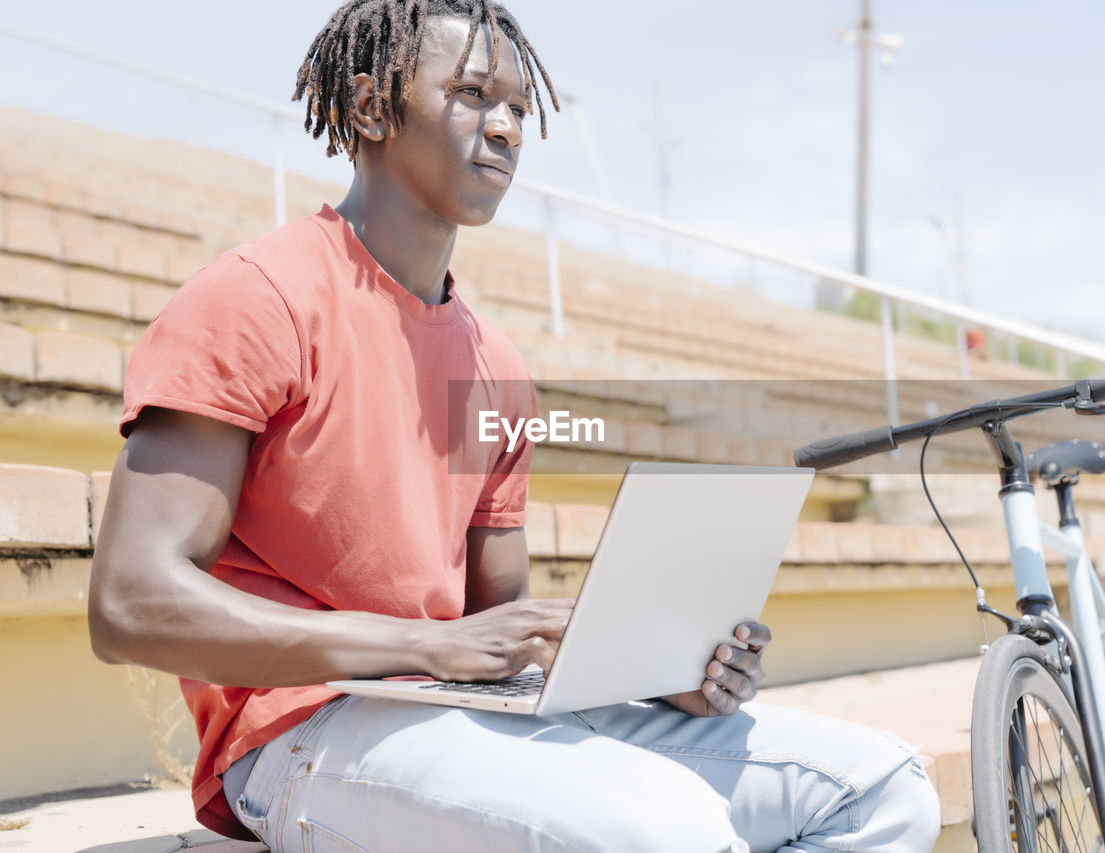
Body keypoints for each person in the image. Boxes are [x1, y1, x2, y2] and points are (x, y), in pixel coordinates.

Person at [88, 2, 940, 850]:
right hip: (301, 731)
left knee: (878, 787)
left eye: (520, 109)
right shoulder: (255, 299)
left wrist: (662, 670)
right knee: (670, 828)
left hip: (456, 708)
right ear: (371, 107)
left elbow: (501, 628)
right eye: (471, 94)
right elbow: (131, 603)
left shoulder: (494, 363)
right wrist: (432, 644)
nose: (505, 129)